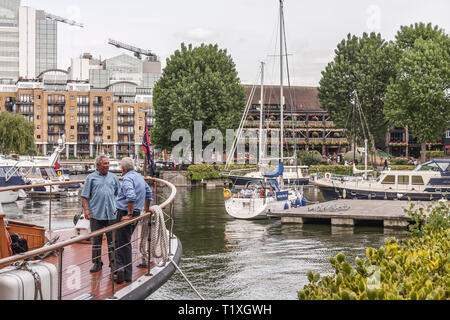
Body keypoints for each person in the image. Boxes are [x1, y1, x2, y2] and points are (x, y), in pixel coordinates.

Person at [114, 157, 154, 284]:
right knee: (120, 241)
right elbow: (149, 192)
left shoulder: (127, 178)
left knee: (123, 243)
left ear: (123, 169)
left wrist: (129, 215)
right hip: (136, 212)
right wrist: (147, 208)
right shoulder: (139, 177)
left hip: (126, 213)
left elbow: (130, 196)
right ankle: (119, 268)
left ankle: (126, 274)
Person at [81, 155, 121, 273]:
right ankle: (97, 263)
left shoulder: (113, 177)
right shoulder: (91, 178)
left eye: (108, 163)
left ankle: (113, 264)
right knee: (96, 241)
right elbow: (84, 196)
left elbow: (119, 194)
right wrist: (86, 210)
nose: (107, 165)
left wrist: (119, 206)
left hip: (111, 214)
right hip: (96, 214)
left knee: (112, 241)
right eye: (105, 163)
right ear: (98, 165)